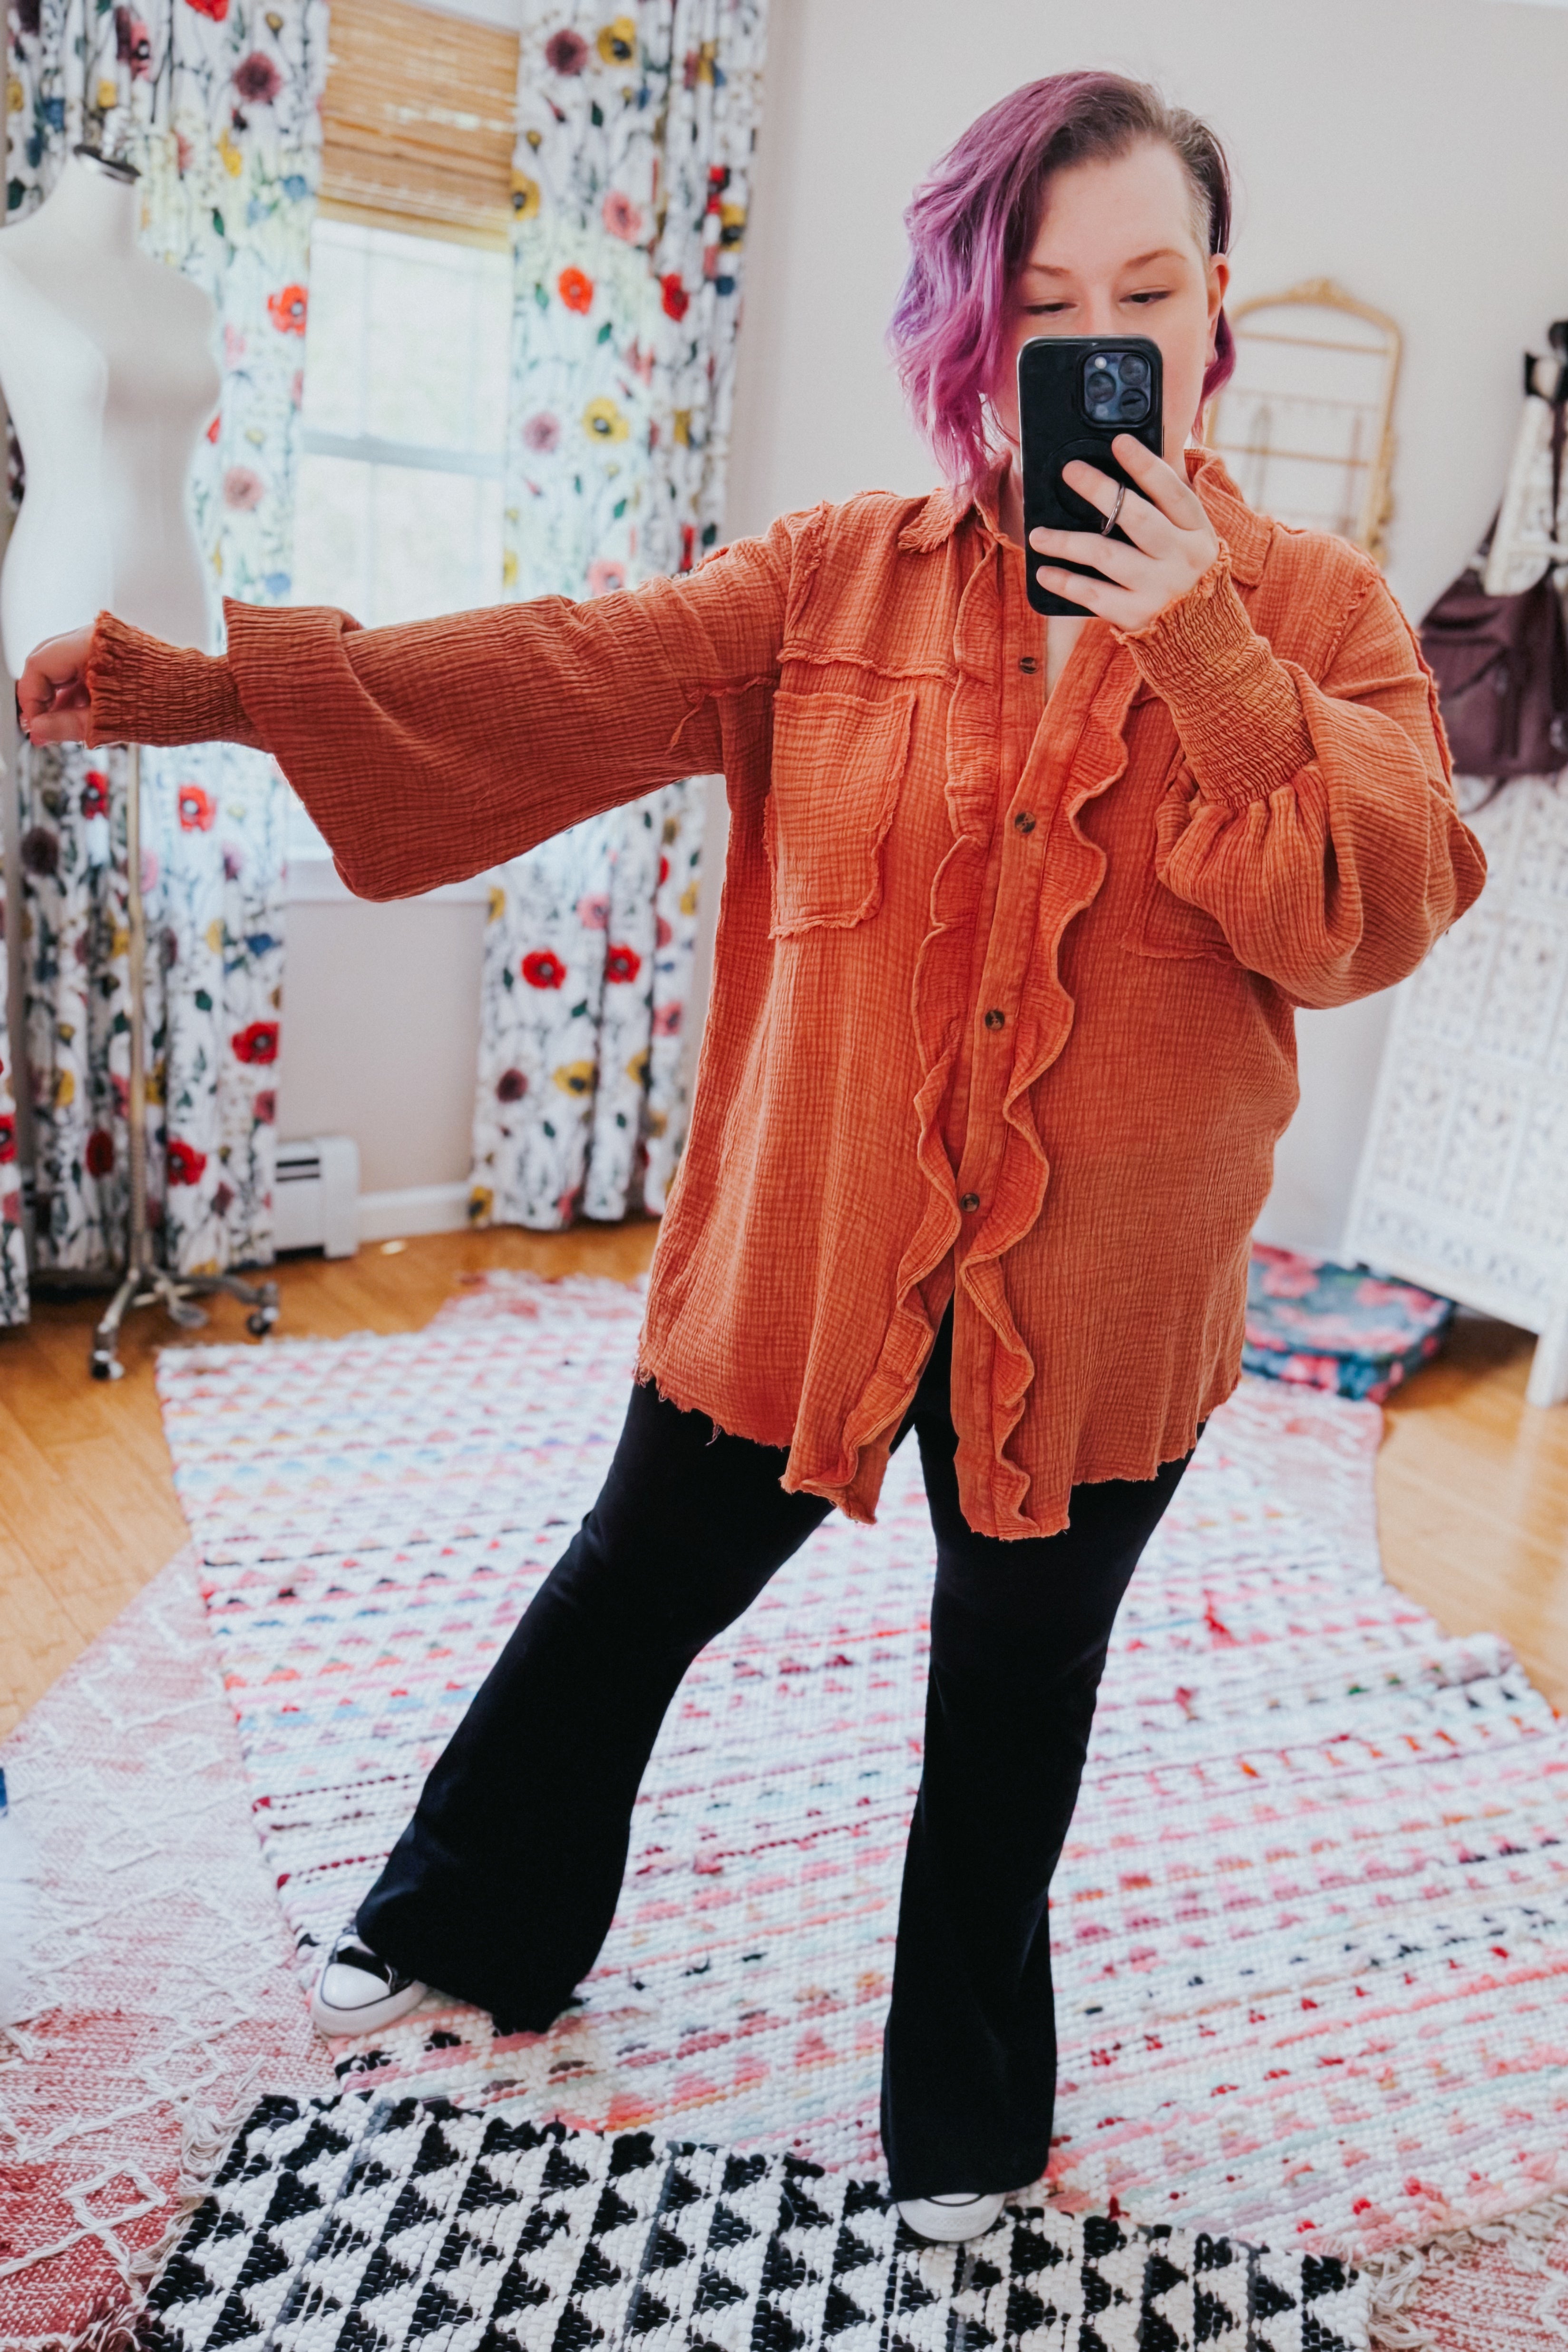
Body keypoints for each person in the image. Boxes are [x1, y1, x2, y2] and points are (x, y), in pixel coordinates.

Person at [20, 72, 1486, 2245]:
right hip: (807, 1252)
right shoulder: (834, 584)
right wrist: (219, 689)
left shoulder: (1330, 612)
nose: (1101, 333)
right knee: (627, 1599)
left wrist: (1199, 638)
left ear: (1214, 309)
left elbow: (1361, 904)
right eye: (1045, 295)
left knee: (1011, 1717)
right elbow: (556, 674)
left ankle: (968, 2134)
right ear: (979, 327)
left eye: (1147, 290)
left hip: (1095, 1316)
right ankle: (465, 1924)